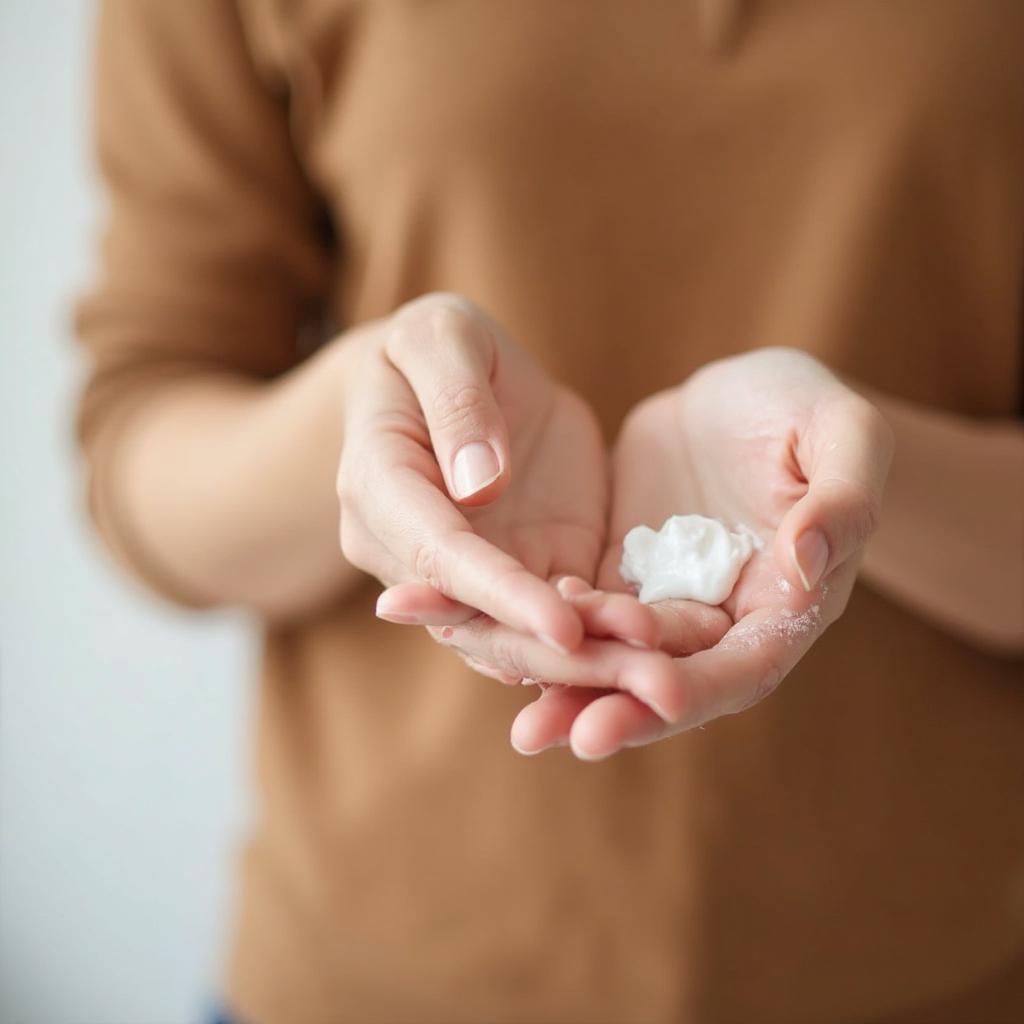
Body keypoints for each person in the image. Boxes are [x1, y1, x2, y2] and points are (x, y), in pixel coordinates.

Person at [74, 1, 1024, 1021]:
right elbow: (143, 448)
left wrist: (864, 470)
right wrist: (368, 421)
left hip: (929, 974)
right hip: (369, 979)